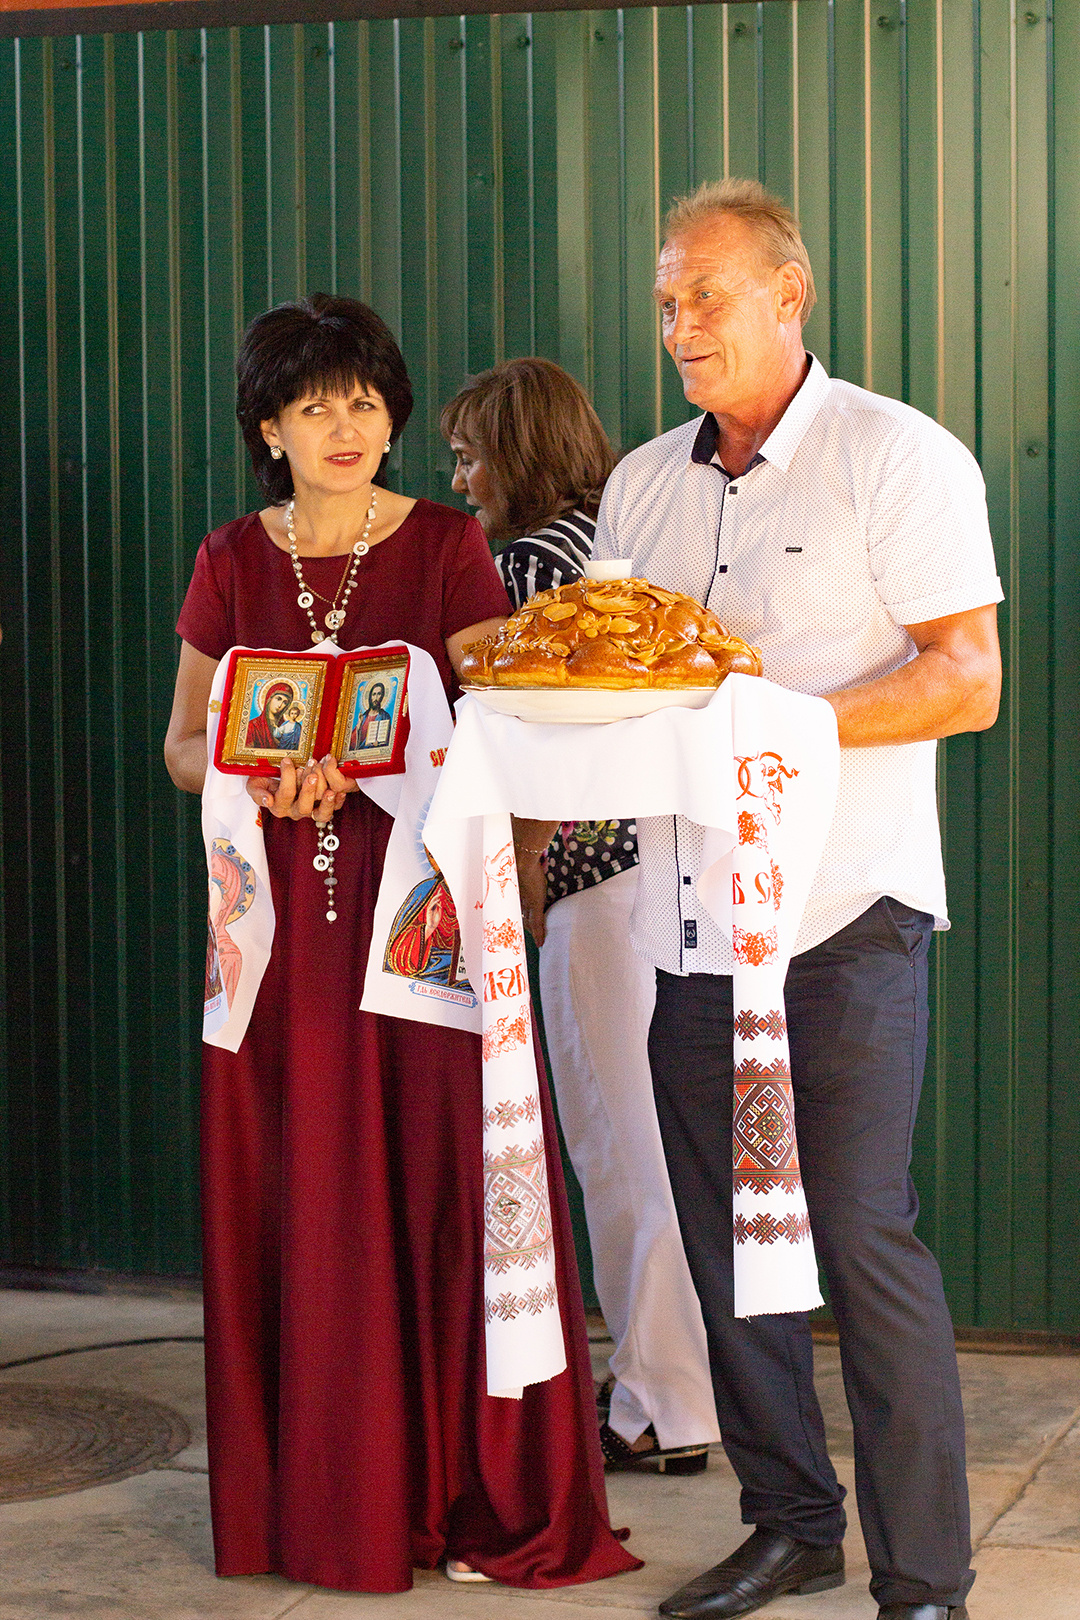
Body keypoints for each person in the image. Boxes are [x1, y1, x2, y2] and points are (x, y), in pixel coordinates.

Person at [163, 295, 638, 1595]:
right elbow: (183, 742)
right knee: (299, 1189)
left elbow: (500, 702)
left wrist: (407, 749)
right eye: (315, 403)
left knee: (437, 1178)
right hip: (276, 940)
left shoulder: (443, 547)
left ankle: (460, 1492)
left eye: (367, 401)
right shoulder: (228, 559)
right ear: (269, 425)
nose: (346, 426)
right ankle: (308, 1504)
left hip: (420, 925)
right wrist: (267, 765)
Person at [591, 180, 1003, 1620]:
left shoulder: (900, 457)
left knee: (857, 1232)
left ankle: (926, 1574)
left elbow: (969, 677)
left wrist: (780, 726)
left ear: (789, 295)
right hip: (687, 920)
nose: (679, 325)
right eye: (664, 303)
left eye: (705, 296)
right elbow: (605, 678)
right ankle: (790, 1522)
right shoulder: (641, 486)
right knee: (719, 1237)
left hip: (841, 918)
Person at [441, 357, 721, 1474]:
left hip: (579, 882)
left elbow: (518, 745)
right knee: (650, 1142)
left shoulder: (519, 568)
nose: (458, 481)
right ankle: (672, 1389)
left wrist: (522, 885)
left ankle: (666, 1406)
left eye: (468, 456)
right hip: (657, 877)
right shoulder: (617, 544)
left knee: (617, 1145)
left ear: (513, 452)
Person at [349, 679, 392, 749]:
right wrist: (358, 726)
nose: (375, 698)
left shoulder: (385, 716)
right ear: (370, 697)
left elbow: (388, 740)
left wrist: (379, 744)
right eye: (374, 694)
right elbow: (352, 743)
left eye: (379, 694)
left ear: (382, 696)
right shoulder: (363, 717)